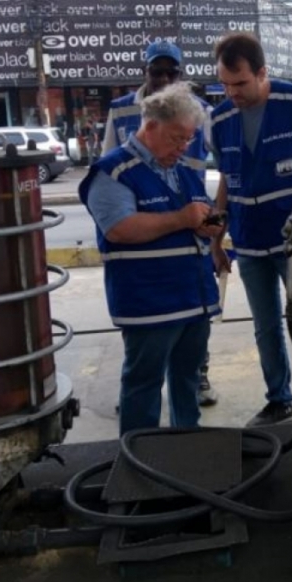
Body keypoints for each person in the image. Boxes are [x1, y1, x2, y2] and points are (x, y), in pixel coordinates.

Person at [79, 84, 224, 435]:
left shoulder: (183, 168)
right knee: (144, 384)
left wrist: (210, 225)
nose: (183, 147)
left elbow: (199, 210)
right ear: (151, 126)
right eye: (177, 138)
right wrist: (182, 219)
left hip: (194, 298)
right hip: (150, 302)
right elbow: (119, 229)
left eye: (189, 139)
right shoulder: (113, 171)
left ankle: (185, 447)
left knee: (187, 380)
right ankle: (138, 457)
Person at [103, 40, 219, 407]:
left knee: (188, 365)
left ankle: (197, 383)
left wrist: (211, 227)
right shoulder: (121, 115)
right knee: (144, 369)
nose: (166, 79)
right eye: (159, 72)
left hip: (191, 264)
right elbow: (116, 215)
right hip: (146, 272)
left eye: (173, 73)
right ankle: (140, 429)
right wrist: (178, 218)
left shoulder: (200, 112)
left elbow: (219, 168)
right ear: (146, 73)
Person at [211, 33, 292, 427]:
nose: (232, 92)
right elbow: (224, 181)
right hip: (249, 242)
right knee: (266, 326)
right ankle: (279, 399)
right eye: (225, 84)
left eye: (240, 84)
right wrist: (217, 242)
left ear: (263, 72)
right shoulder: (220, 120)